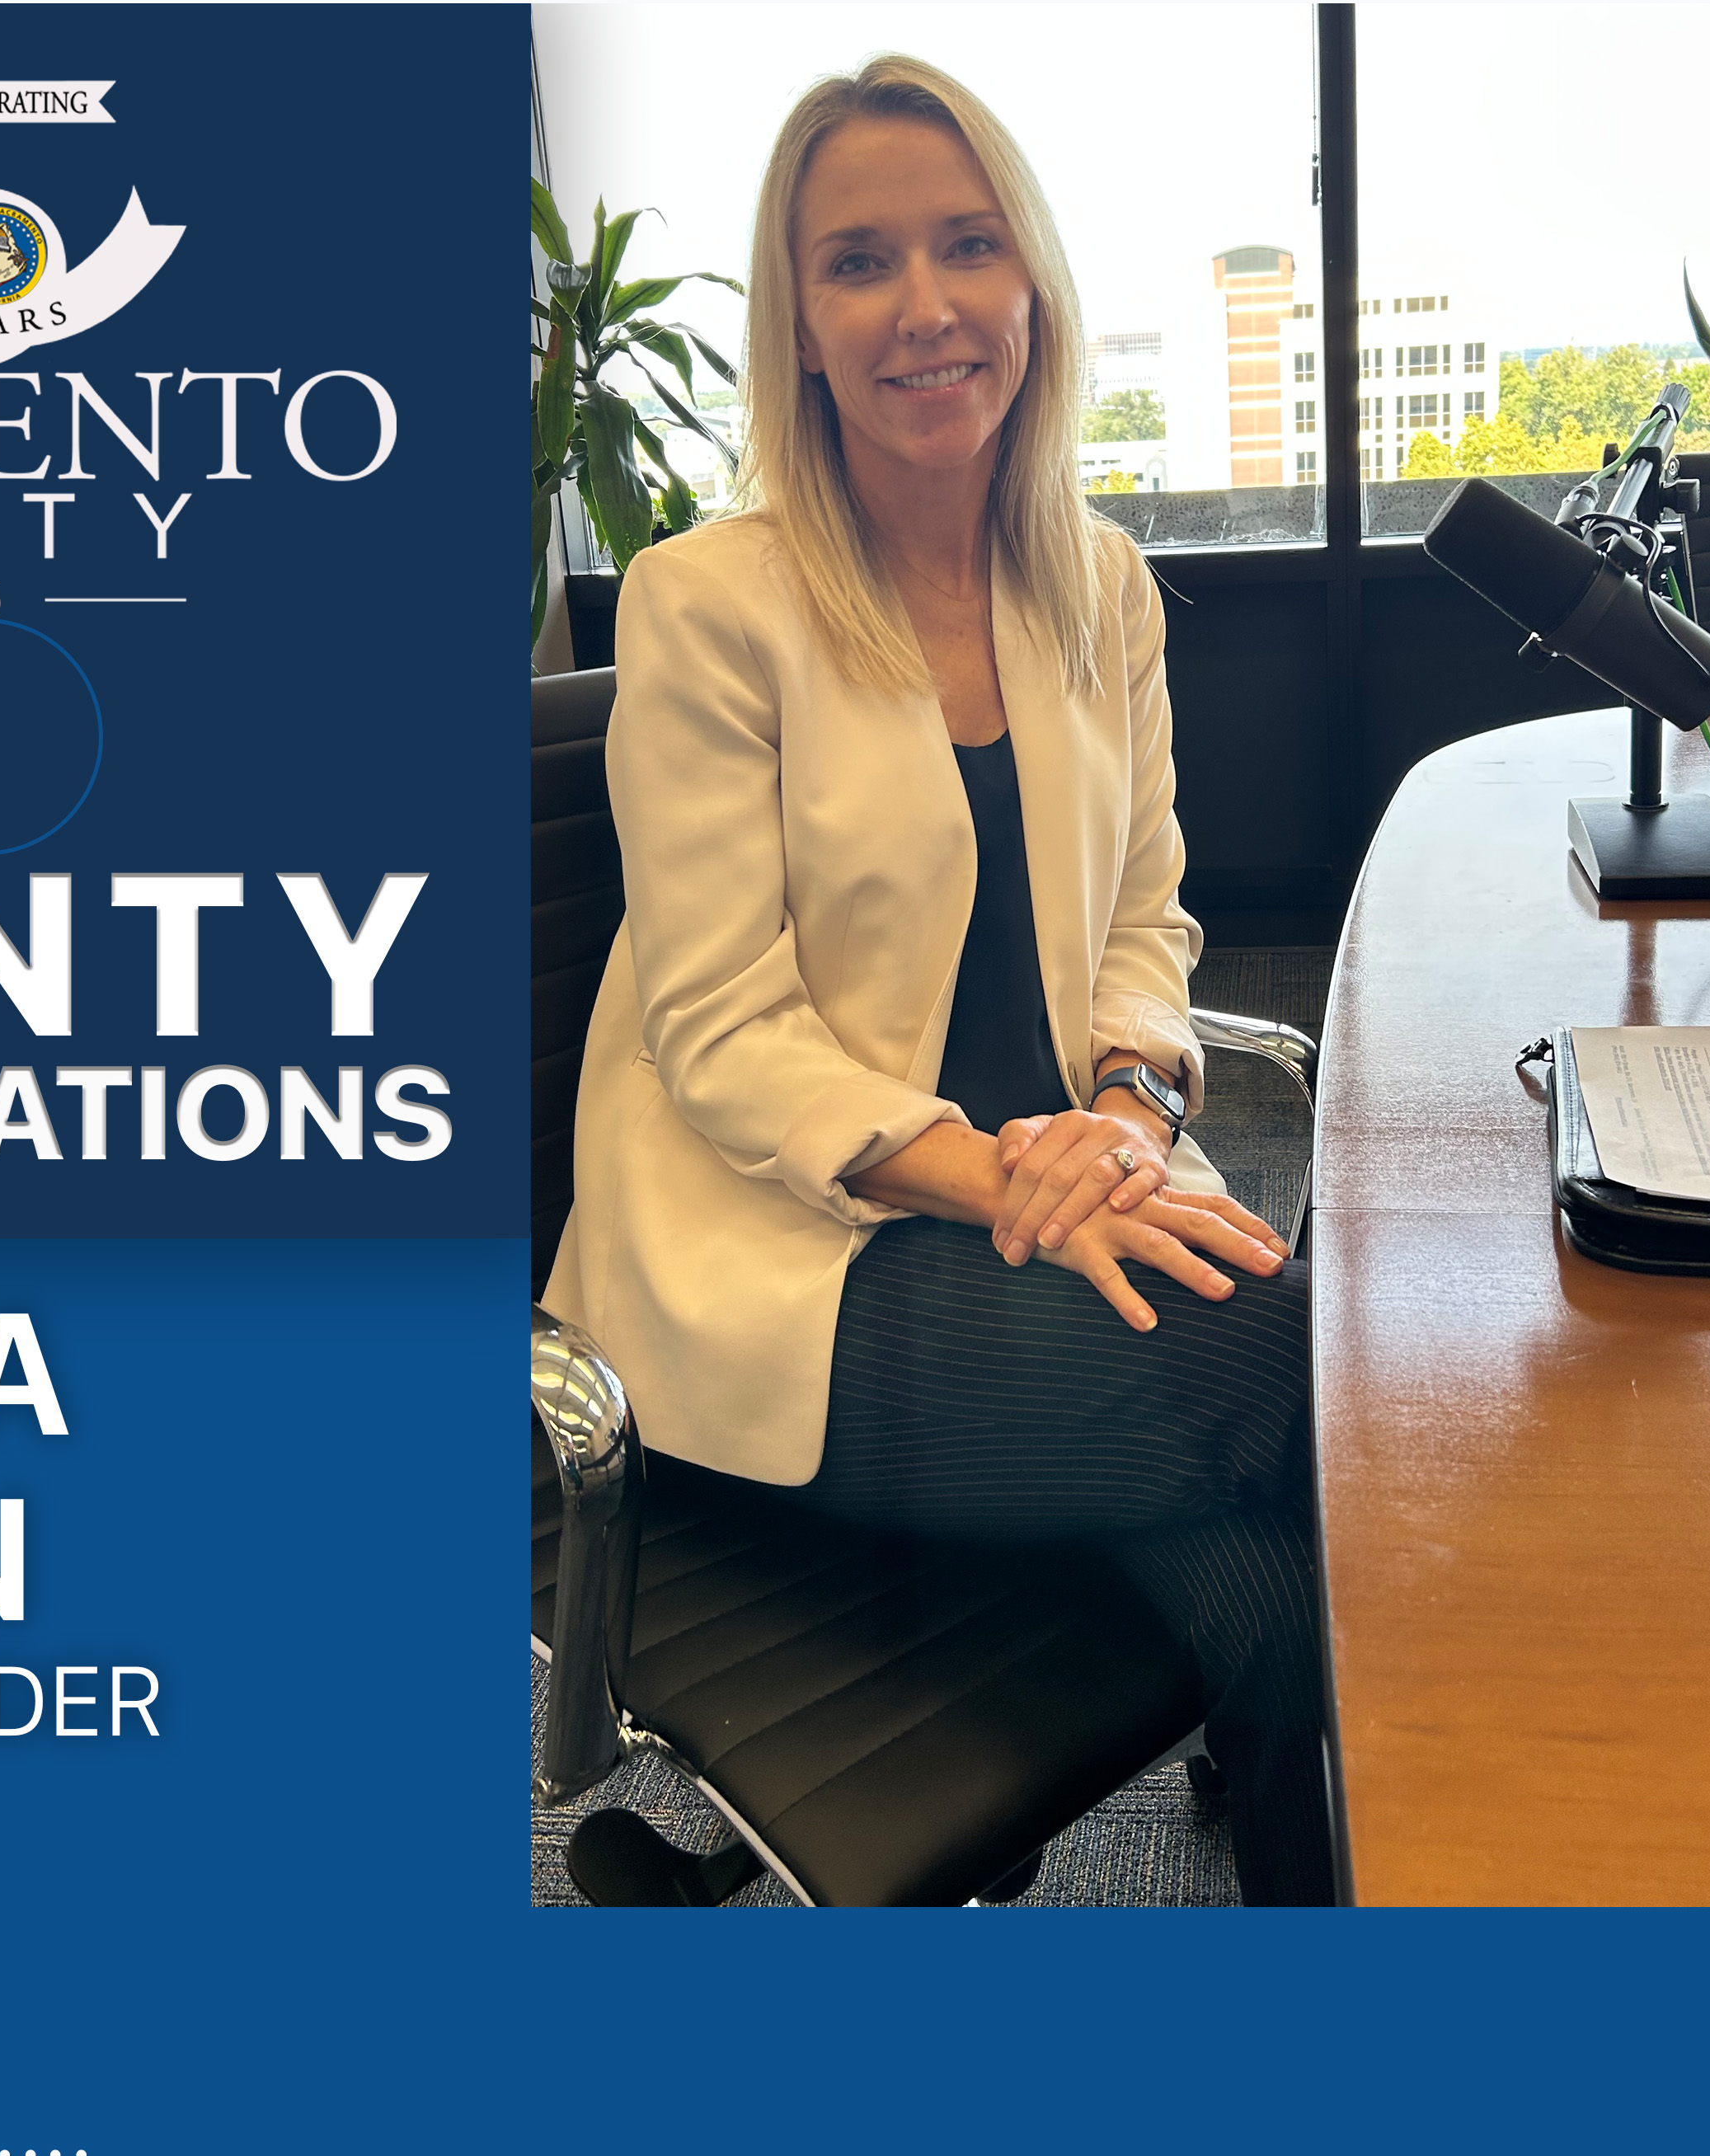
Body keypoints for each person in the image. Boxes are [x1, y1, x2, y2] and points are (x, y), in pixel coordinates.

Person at [539, 54, 1337, 1904]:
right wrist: (1009, 1183)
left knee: (1277, 1573)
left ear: (1031, 287)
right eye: (860, 262)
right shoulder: (706, 603)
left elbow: (1146, 918)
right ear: (799, 327)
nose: (924, 306)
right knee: (1325, 1373)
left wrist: (1124, 1115)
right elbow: (725, 1038)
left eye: (968, 246)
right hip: (798, 1261)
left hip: (1065, 1198)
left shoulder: (1101, 582)